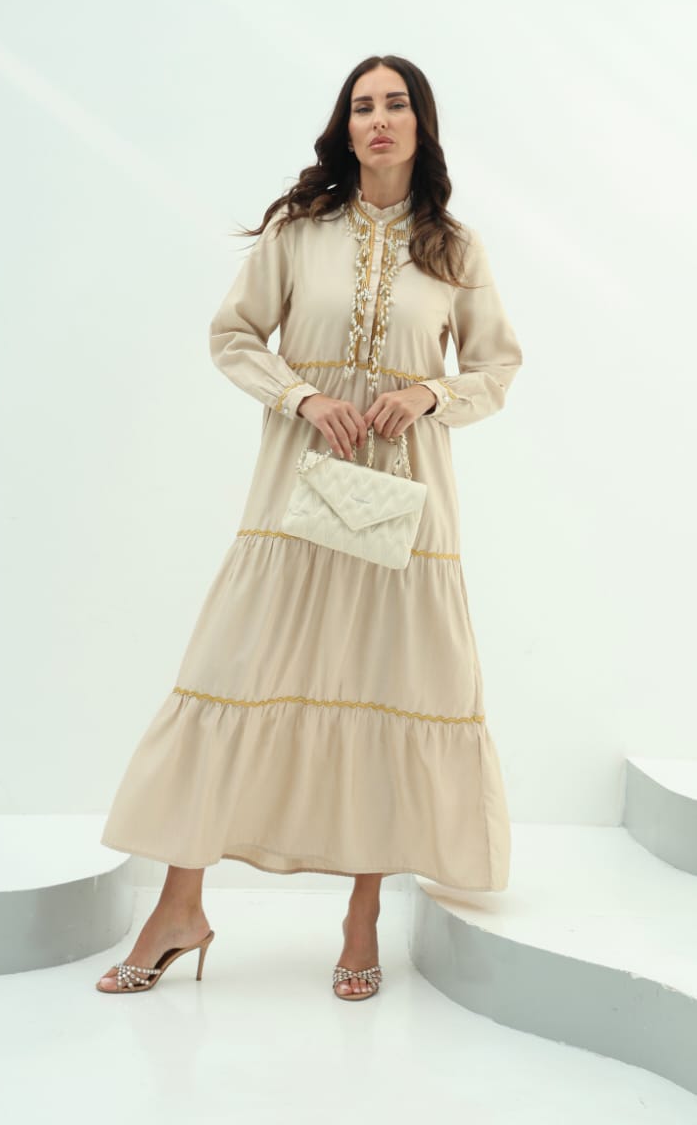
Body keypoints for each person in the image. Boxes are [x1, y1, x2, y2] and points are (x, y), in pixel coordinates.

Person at [96, 54, 523, 1000]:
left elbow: (495, 368)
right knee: (233, 673)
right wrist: (301, 396)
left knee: (384, 685)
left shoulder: (454, 248)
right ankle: (178, 907)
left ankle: (361, 918)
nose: (379, 119)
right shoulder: (299, 232)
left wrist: (427, 395)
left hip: (404, 498)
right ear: (345, 126)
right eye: (362, 106)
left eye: (396, 104)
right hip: (295, 491)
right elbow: (233, 335)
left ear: (421, 124)